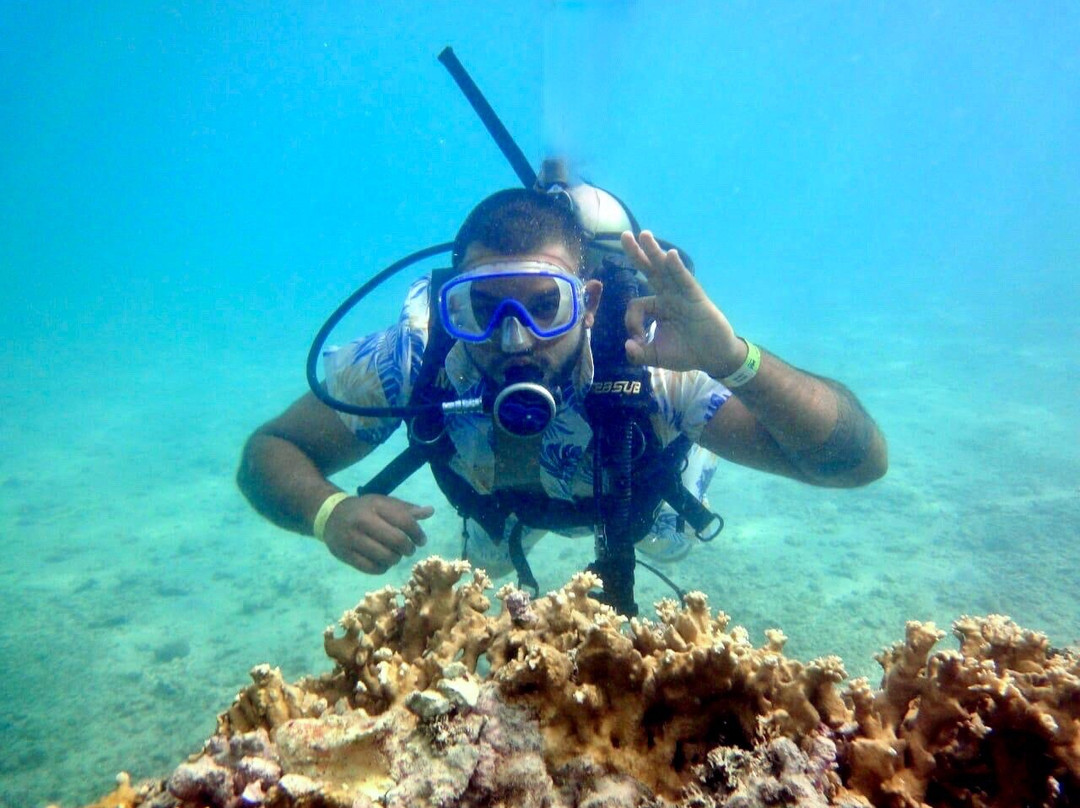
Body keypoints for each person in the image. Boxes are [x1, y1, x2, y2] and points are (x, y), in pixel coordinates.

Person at [237, 186, 887, 600]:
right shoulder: (413, 357)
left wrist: (732, 359)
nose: (514, 342)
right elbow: (270, 450)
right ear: (447, 308)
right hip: (496, 507)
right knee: (477, 585)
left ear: (590, 301)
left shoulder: (653, 365)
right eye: (480, 310)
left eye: (546, 307)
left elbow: (857, 463)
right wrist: (328, 513)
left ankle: (692, 452)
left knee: (672, 542)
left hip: (636, 499)